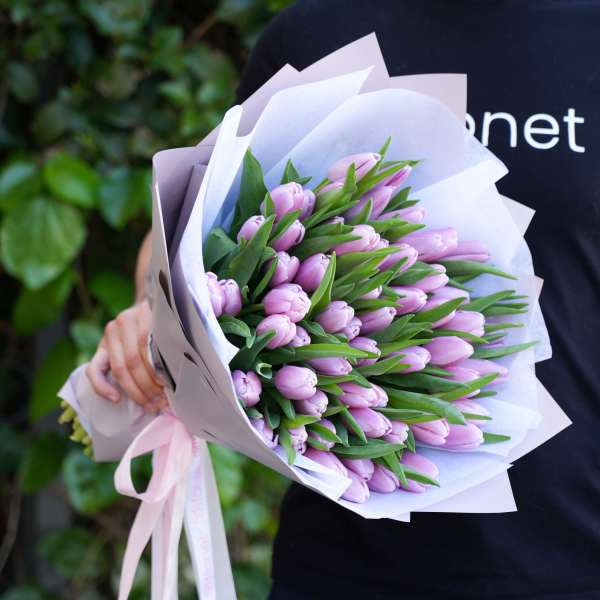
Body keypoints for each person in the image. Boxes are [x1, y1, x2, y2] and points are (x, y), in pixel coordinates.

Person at [87, 1, 600, 599]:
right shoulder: (322, 30)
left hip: (577, 554)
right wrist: (151, 310)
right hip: (347, 559)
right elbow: (199, 213)